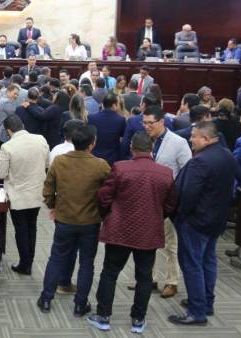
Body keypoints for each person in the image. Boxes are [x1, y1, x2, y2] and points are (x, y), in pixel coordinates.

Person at [88, 132, 176, 334]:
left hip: (119, 229)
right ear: (151, 149)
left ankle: (103, 316)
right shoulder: (166, 173)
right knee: (144, 277)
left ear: (131, 148)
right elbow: (171, 205)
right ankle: (138, 319)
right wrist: (156, 216)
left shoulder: (120, 168)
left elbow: (104, 196)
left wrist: (108, 214)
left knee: (110, 273)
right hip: (149, 232)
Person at [168, 122, 241, 326]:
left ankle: (197, 312)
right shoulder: (226, 154)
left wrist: (180, 216)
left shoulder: (200, 162)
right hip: (217, 221)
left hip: (195, 222)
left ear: (206, 139)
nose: (190, 139)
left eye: (194, 136)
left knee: (192, 264)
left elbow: (188, 194)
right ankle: (206, 303)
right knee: (208, 261)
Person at [38, 122, 110, 316]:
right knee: (87, 263)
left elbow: (48, 189)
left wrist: (52, 206)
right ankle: (80, 304)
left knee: (56, 258)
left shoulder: (60, 161)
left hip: (64, 219)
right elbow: (109, 193)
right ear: (92, 143)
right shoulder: (101, 165)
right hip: (90, 222)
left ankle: (46, 298)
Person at [140, 106, 191, 299]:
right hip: (146, 201)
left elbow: (187, 171)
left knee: (170, 244)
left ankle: (172, 281)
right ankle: (148, 278)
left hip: (168, 202)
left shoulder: (178, 142)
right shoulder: (144, 140)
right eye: (144, 123)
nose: (146, 127)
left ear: (162, 121)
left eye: (150, 123)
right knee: (146, 243)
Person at [0, 114, 49, 275]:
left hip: (17, 195)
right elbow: (47, 164)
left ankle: (24, 264)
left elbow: (1, 173)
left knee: (21, 228)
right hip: (37, 192)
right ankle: (29, 261)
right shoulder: (41, 139)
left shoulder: (7, 147)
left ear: (8, 130)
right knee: (32, 226)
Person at [88, 93, 126, 166]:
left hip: (94, 156)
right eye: (118, 104)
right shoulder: (120, 120)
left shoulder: (91, 117)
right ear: (114, 105)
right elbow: (123, 137)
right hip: (112, 157)